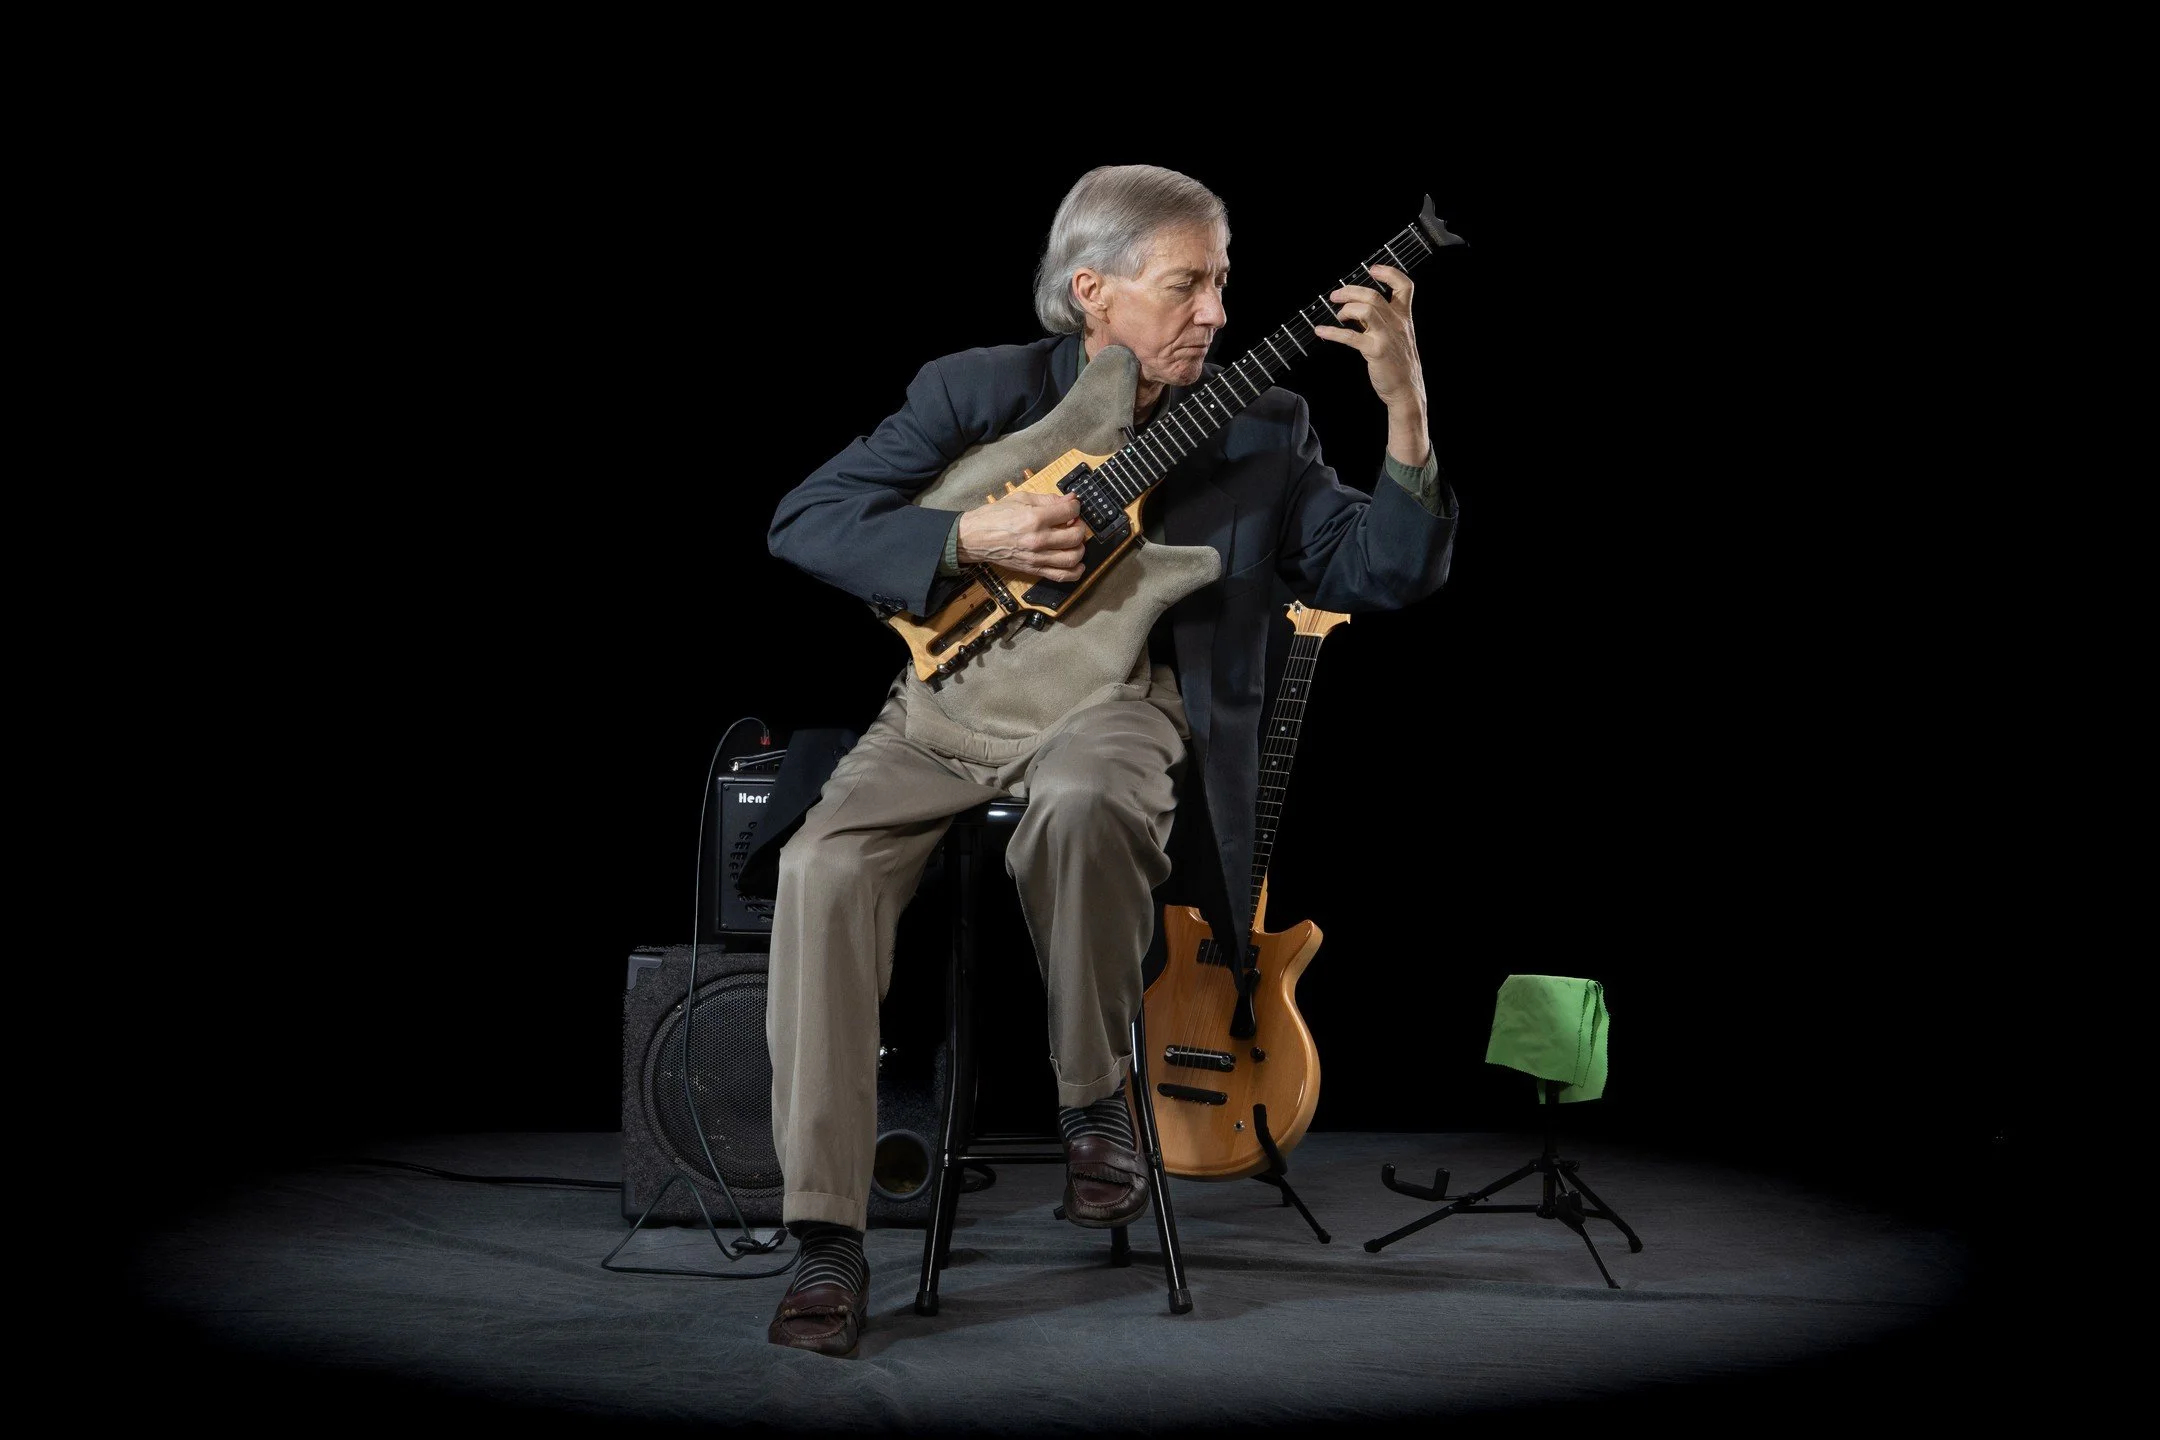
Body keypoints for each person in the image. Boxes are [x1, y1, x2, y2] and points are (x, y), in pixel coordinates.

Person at [760, 163, 1458, 1358]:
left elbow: (1382, 570)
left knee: (1085, 800)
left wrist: (1407, 411)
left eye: (1223, 283)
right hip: (951, 701)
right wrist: (965, 534)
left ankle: (1093, 1104)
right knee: (817, 870)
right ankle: (826, 1237)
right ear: (1093, 290)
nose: (1216, 311)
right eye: (1187, 285)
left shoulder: (1266, 427)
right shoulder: (977, 391)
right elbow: (806, 519)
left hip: (1119, 705)